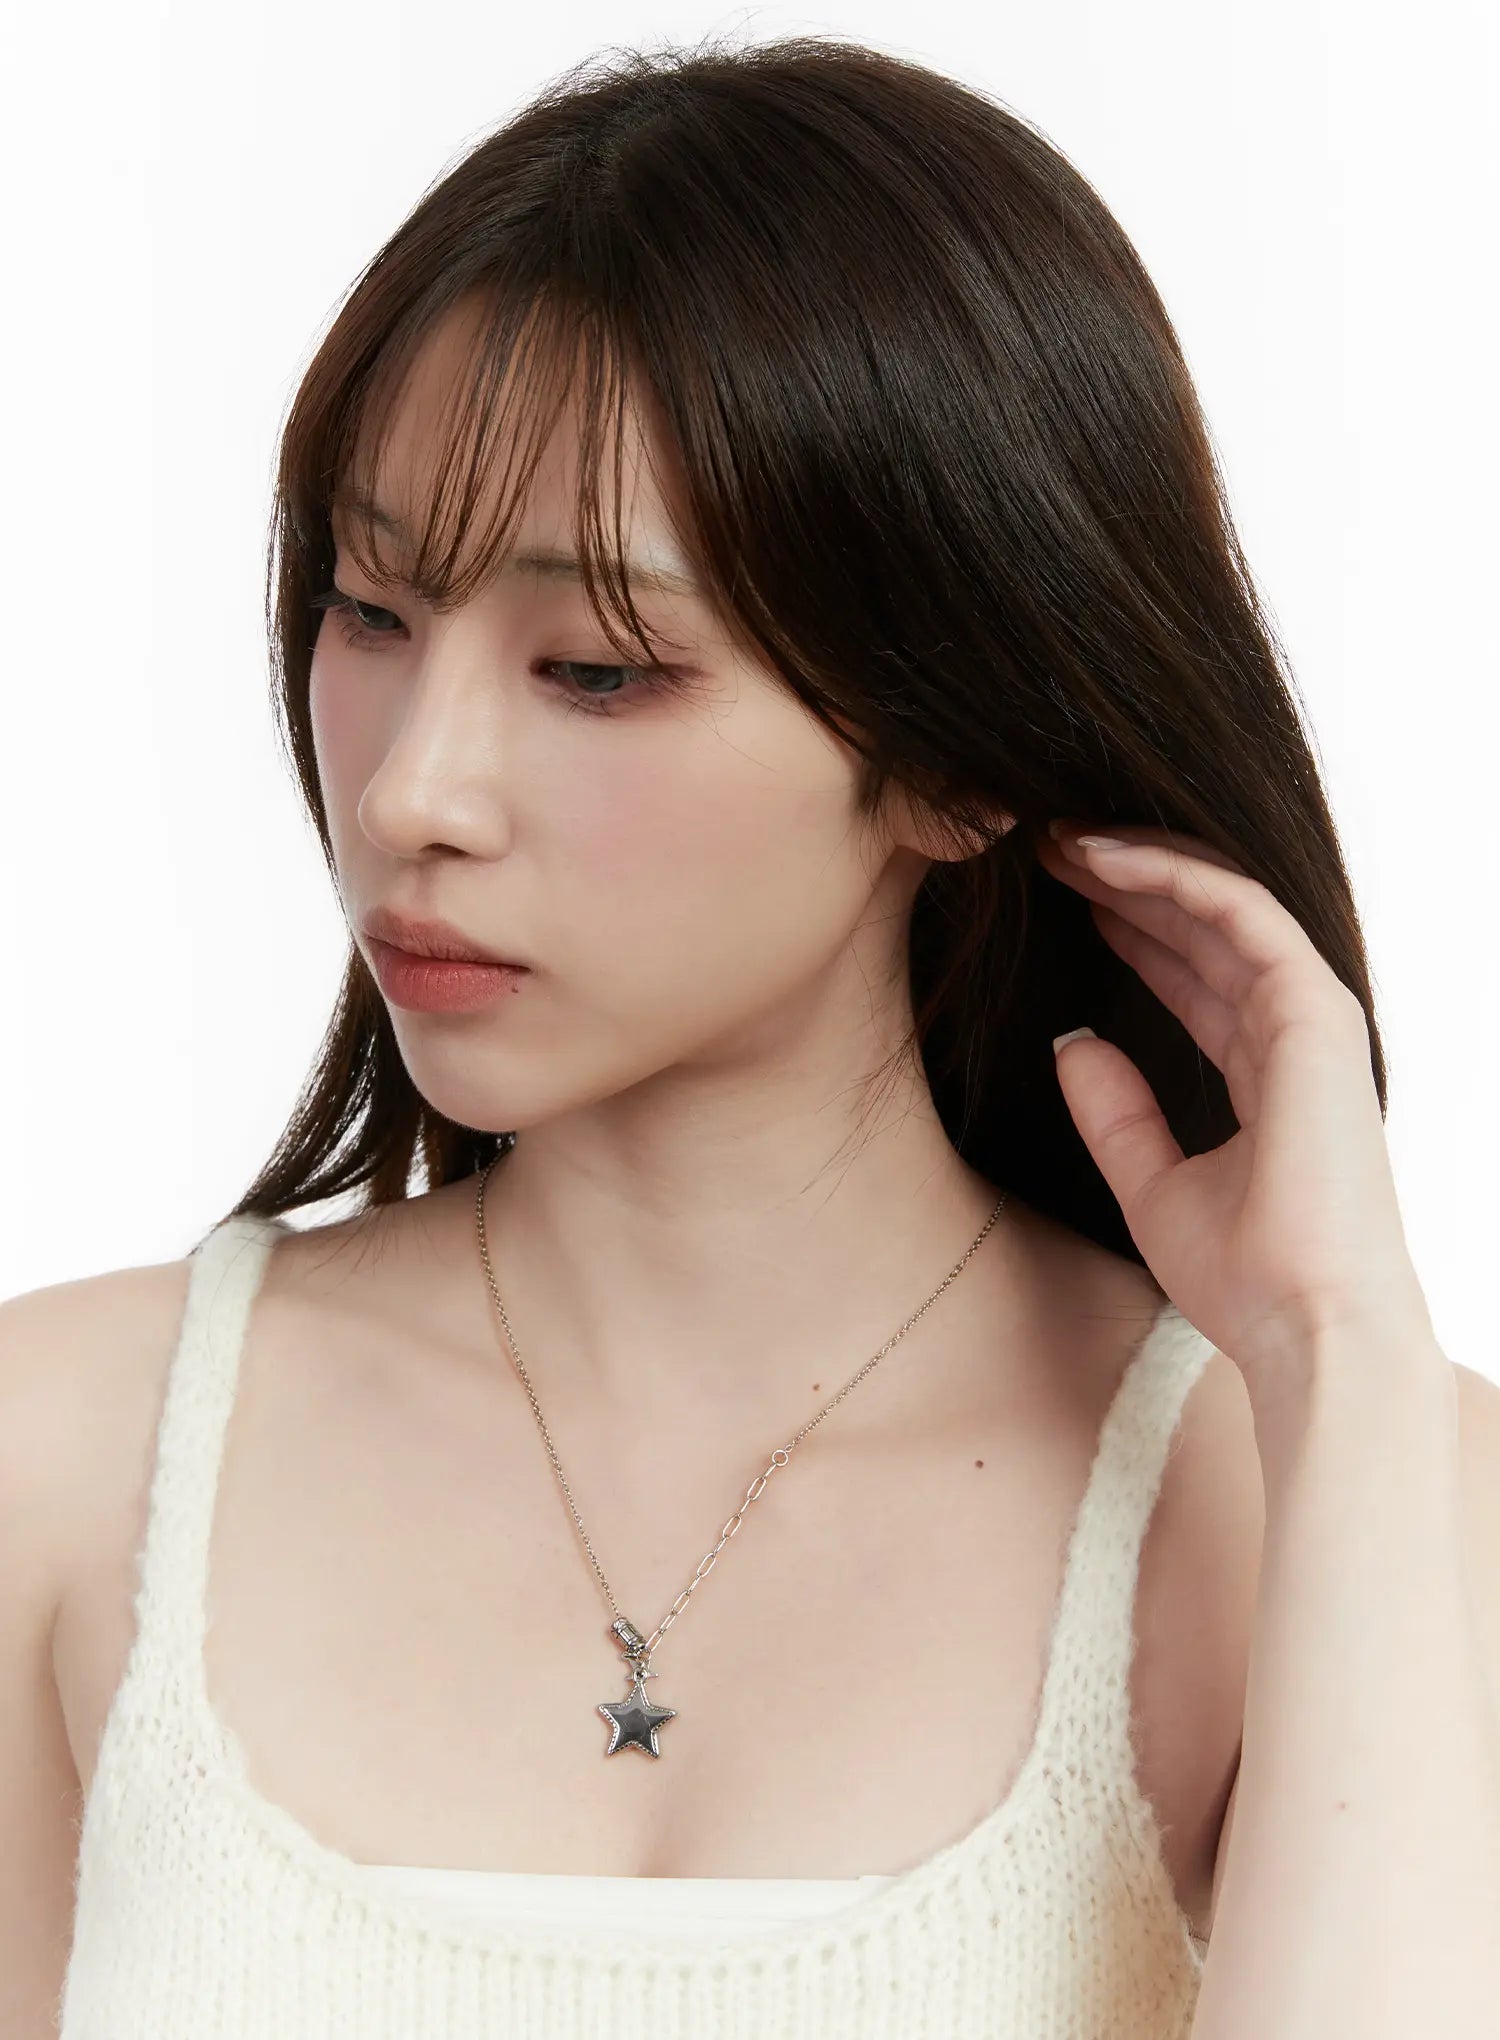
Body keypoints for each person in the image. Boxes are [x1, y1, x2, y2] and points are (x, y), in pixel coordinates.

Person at [14, 30, 1398, 2039]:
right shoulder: (63, 1460)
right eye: (372, 611)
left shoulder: (1334, 1491)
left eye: (594, 668)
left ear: (956, 760)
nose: (411, 790)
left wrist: (1338, 1356)